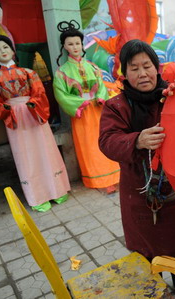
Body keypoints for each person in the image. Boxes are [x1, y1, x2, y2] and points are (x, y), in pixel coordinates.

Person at [98, 39, 175, 299]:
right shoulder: (116, 106)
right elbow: (107, 142)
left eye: (147, 66)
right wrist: (136, 140)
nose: (142, 74)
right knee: (148, 262)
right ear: (124, 74)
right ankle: (156, 291)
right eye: (134, 68)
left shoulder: (174, 96)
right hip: (139, 199)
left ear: (157, 68)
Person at [0, 35, 70, 212]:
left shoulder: (29, 72)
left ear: (12, 50)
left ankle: (57, 189)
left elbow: (40, 93)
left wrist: (33, 104)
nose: (2, 51)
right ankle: (37, 196)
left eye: (5, 47)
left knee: (45, 150)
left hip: (34, 114)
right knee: (26, 156)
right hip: (15, 118)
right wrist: (7, 109)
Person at [53, 20, 120, 193]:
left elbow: (102, 85)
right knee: (90, 146)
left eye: (77, 43)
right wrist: (79, 103)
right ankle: (100, 180)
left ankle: (115, 175)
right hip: (81, 113)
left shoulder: (92, 67)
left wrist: (100, 97)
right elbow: (61, 94)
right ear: (65, 46)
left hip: (98, 110)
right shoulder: (62, 71)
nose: (75, 47)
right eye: (70, 44)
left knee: (106, 140)